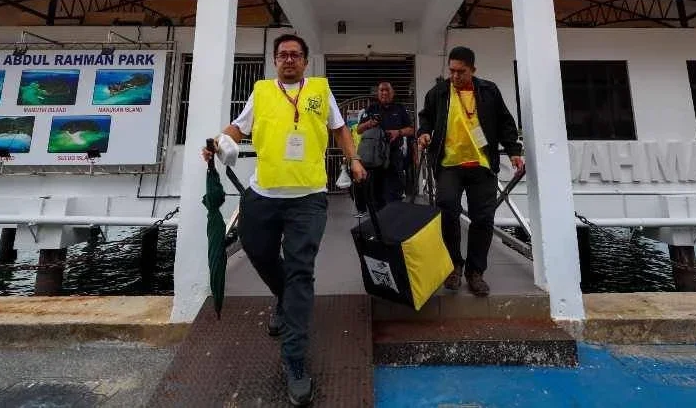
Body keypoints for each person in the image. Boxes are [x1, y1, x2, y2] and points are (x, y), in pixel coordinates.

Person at [202, 33, 366, 407]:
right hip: (262, 195)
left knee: (299, 271)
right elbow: (237, 128)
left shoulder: (321, 91)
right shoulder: (261, 92)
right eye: (282, 55)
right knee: (258, 252)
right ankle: (284, 298)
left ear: (306, 61)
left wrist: (353, 158)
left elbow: (340, 128)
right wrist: (216, 141)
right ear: (275, 61)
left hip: (308, 198)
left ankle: (294, 359)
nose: (288, 60)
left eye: (295, 55)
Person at [416, 46, 523, 297]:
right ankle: (454, 265)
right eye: (451, 71)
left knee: (483, 219)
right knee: (446, 209)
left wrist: (514, 150)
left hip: (482, 165)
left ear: (473, 70)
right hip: (449, 164)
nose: (454, 76)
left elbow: (506, 122)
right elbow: (426, 118)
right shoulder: (439, 92)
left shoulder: (489, 91)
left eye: (460, 72)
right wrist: (423, 133)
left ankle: (475, 272)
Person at [355, 81, 414, 210]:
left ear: (392, 93)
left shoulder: (400, 109)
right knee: (376, 194)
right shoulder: (371, 109)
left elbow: (411, 130)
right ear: (378, 93)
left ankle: (394, 222)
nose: (384, 93)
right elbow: (359, 130)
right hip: (375, 158)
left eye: (387, 90)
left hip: (394, 156)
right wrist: (369, 123)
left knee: (394, 194)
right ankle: (379, 225)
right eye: (381, 90)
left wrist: (398, 132)